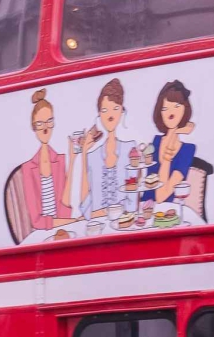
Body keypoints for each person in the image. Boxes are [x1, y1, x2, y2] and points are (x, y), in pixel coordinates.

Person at [71, 78, 136, 219]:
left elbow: (133, 200)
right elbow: (85, 205)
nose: (110, 114)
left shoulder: (130, 149)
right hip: (98, 229)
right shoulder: (92, 156)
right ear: (99, 114)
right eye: (104, 110)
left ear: (121, 112)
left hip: (126, 224)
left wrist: (106, 212)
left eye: (115, 108)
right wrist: (83, 154)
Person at [19, 89, 73, 233]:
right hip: (42, 235)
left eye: (49, 121)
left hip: (63, 230)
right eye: (40, 123)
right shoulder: (28, 168)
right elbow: (36, 221)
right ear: (33, 127)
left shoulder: (60, 160)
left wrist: (73, 161)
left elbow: (65, 212)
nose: (45, 128)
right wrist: (72, 221)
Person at [146, 81, 197, 205]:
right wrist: (176, 130)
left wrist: (174, 132)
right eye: (165, 108)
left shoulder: (187, 150)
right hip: (144, 213)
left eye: (177, 106)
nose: (170, 111)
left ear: (185, 109)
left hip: (168, 214)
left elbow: (161, 196)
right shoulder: (156, 141)